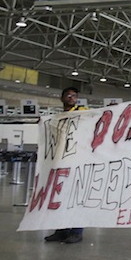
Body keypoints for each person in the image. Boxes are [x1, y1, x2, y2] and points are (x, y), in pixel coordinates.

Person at [44, 87, 87, 244]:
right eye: (68, 95)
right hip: (62, 162)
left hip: (78, 161)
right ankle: (61, 230)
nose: (71, 98)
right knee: (60, 196)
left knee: (76, 197)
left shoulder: (82, 111)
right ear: (61, 98)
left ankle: (77, 231)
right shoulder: (58, 117)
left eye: (74, 96)